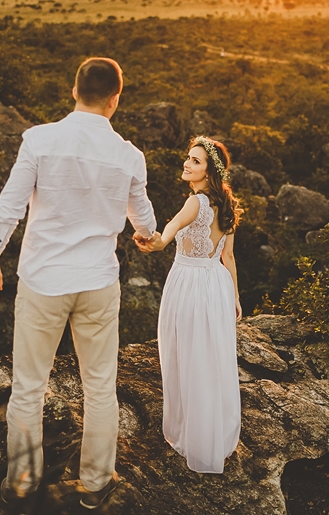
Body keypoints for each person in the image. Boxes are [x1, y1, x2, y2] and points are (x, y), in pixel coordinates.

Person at [0, 57, 157, 510]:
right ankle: (95, 485)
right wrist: (142, 234)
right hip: (98, 282)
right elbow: (146, 222)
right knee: (100, 386)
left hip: (44, 281)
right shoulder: (128, 155)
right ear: (116, 99)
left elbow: (11, 205)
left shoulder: (39, 140)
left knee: (28, 386)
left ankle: (21, 485)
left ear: (73, 91)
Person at [134, 135, 242, 473]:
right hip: (217, 284)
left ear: (209, 171)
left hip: (190, 282)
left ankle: (191, 434)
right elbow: (228, 256)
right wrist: (236, 297)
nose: (187, 163)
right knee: (210, 360)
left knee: (184, 355)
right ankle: (212, 435)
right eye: (188, 157)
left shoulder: (196, 201)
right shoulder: (226, 205)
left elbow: (170, 229)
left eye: (195, 161)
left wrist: (156, 243)